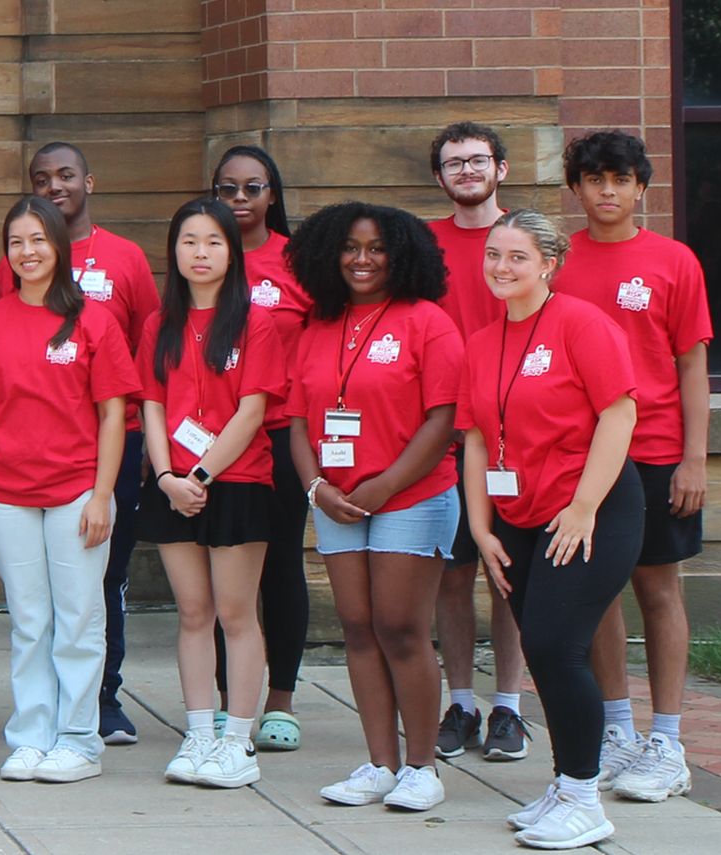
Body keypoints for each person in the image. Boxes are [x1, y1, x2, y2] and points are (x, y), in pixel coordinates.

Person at [460, 208, 643, 850]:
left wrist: (585, 505)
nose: (501, 268)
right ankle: (566, 784)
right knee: (541, 650)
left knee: (558, 647)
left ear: (548, 263)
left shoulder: (580, 324)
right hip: (517, 518)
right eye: (493, 256)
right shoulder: (482, 341)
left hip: (590, 512)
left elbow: (619, 415)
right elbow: (479, 439)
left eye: (516, 257)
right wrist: (481, 528)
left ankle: (585, 798)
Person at [284, 202, 463, 812]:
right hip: (336, 502)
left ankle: (422, 767)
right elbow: (299, 426)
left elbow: (444, 420)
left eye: (377, 248)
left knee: (401, 627)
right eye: (350, 248)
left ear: (402, 254)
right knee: (358, 629)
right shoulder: (316, 326)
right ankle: (380, 763)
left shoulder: (427, 322)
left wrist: (383, 487)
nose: (362, 260)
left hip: (411, 496)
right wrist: (316, 490)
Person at [553, 130, 713, 803]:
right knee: (597, 596)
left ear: (643, 186)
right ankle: (616, 732)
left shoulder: (673, 261)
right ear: (577, 188)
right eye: (594, 179)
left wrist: (694, 457)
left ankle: (668, 741)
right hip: (581, 457)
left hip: (654, 453)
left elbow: (691, 365)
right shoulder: (559, 262)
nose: (608, 190)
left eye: (620, 178)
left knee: (658, 590)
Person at [0, 196, 139, 785]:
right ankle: (31, 735)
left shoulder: (94, 319)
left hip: (77, 493)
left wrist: (101, 494)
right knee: (29, 619)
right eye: (16, 242)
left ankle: (79, 738)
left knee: (80, 617)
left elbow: (113, 415)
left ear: (59, 246)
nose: (27, 252)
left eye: (39, 239)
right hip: (7, 494)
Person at [0, 142, 161, 747]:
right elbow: (2, 366)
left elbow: (146, 344)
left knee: (98, 587)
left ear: (88, 180)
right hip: (23, 469)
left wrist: (145, 448)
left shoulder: (125, 259)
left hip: (110, 447)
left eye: (65, 175)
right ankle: (42, 721)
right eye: (42, 178)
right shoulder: (6, 280)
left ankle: (101, 702)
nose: (55, 185)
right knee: (40, 605)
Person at [137, 198, 285, 790]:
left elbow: (253, 411)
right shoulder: (158, 324)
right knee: (193, 613)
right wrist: (169, 477)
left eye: (213, 242)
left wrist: (200, 477)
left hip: (237, 482)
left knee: (235, 613)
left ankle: (236, 740)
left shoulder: (256, 321)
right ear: (174, 251)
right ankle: (199, 732)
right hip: (173, 486)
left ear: (232, 251)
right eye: (189, 241)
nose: (201, 253)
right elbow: (149, 405)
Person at [423, 122, 529, 762]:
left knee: (508, 575)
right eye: (453, 163)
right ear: (439, 177)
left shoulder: (526, 237)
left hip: (515, 432)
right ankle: (460, 703)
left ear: (501, 168)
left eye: (477, 160)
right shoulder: (423, 245)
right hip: (442, 433)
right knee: (452, 574)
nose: (466, 170)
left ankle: (509, 710)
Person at [208, 145, 309, 753]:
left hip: (280, 433)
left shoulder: (297, 262)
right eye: (228, 189)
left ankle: (281, 701)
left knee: (280, 567)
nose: (241, 199)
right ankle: (226, 701)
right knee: (224, 573)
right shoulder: (204, 255)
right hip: (215, 444)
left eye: (253, 187)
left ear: (273, 193)